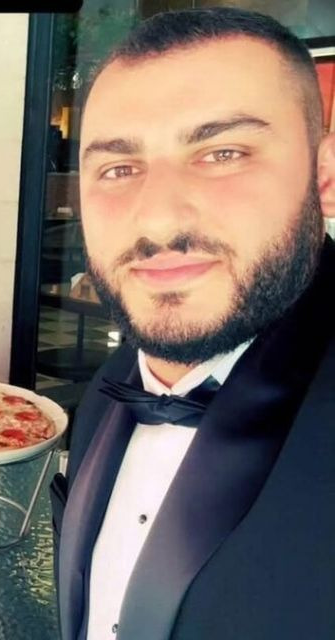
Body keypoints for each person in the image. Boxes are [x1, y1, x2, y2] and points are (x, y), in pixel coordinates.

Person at [51, 8, 335, 640]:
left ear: (324, 175)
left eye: (222, 153)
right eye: (118, 169)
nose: (158, 220)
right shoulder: (107, 389)